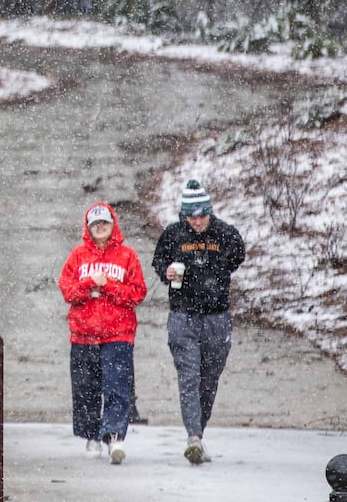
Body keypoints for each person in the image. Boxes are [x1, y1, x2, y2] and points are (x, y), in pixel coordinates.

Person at [152, 178, 245, 465]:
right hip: (183, 316)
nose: (196, 222)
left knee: (209, 380)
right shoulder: (173, 234)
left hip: (217, 317)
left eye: (201, 215)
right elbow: (158, 263)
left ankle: (198, 433)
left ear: (209, 212)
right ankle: (193, 436)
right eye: (191, 216)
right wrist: (166, 271)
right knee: (189, 377)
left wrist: (214, 278)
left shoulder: (226, 234)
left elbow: (238, 257)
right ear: (184, 214)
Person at [58, 201, 147, 464]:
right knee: (86, 388)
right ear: (88, 227)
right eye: (95, 224)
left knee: (117, 386)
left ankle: (114, 436)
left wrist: (108, 286)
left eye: (104, 223)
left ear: (112, 225)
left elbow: (138, 293)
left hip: (118, 333)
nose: (100, 228)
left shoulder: (127, 256)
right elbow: (68, 291)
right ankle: (92, 436)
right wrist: (88, 284)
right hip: (83, 334)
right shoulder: (77, 255)